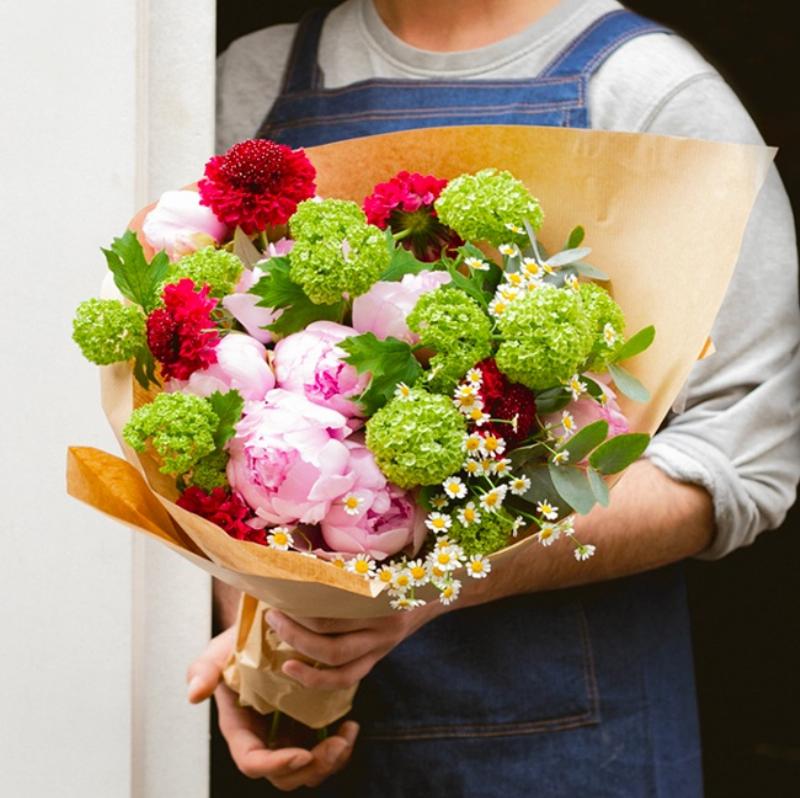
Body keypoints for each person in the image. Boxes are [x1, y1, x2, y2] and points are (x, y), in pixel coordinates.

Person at [187, 0, 800, 793]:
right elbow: (189, 415)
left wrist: (433, 584)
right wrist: (258, 644)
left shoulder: (648, 91)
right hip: (316, 742)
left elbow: (743, 455)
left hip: (572, 748)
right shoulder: (253, 80)